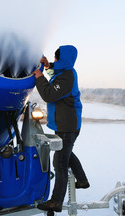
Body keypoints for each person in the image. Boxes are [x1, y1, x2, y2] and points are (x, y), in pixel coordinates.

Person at [33, 45, 89, 213]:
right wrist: (48, 66)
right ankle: (82, 180)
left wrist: (39, 77)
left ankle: (55, 202)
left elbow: (49, 94)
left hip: (67, 126)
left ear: (62, 59)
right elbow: (56, 78)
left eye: (56, 58)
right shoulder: (66, 72)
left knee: (60, 163)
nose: (54, 60)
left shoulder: (67, 77)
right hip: (66, 124)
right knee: (67, 152)